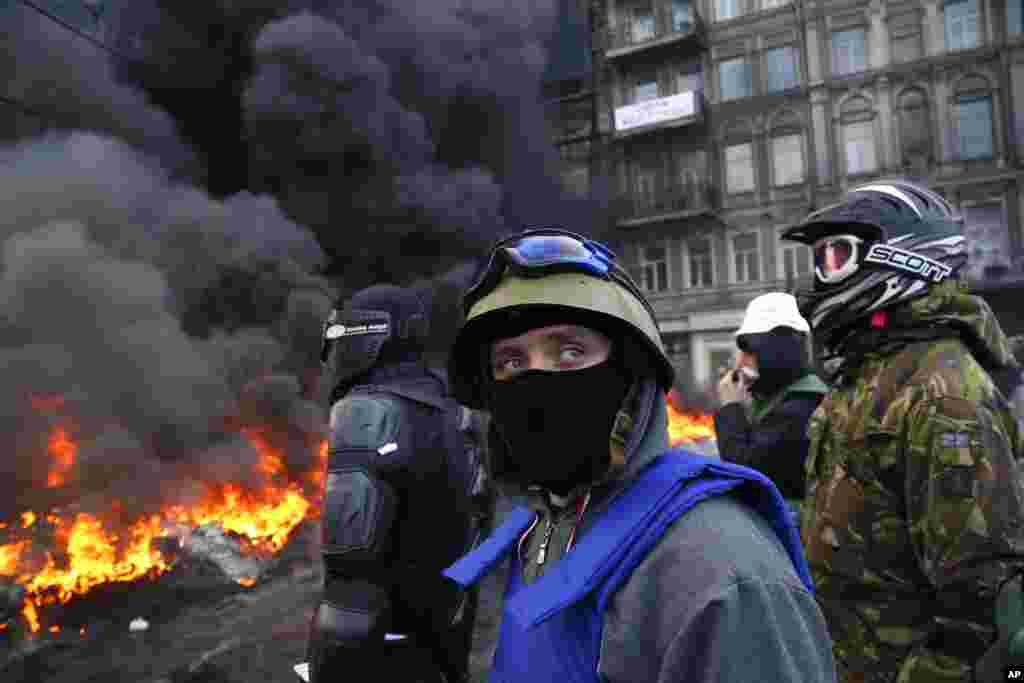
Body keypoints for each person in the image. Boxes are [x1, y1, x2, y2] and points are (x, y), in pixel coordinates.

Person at [443, 227, 836, 682]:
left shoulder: (720, 571)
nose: (534, 383)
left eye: (570, 352)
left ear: (632, 377)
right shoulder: (535, 525)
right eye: (510, 363)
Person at [781, 179, 1024, 682]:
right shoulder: (867, 374)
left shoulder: (943, 395)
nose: (820, 276)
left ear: (907, 261)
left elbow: (977, 604)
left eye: (837, 255)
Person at [307, 284, 492, 683]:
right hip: (441, 651)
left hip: (380, 659)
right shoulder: (454, 412)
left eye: (342, 336)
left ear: (372, 337)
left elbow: (350, 583)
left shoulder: (365, 412)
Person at [714, 292, 828, 530]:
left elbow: (743, 469)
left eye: (748, 350)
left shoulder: (801, 406)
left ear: (773, 351)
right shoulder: (781, 398)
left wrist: (731, 408)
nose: (740, 361)